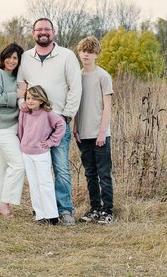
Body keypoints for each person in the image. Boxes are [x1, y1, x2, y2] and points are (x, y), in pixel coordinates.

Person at [17, 17, 82, 225]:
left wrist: (67, 115)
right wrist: (21, 102)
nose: (43, 32)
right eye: (38, 30)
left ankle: (64, 210)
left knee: (61, 168)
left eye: (47, 29)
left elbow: (75, 87)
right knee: (38, 171)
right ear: (33, 33)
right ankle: (42, 210)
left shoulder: (67, 56)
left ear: (53, 32)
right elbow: (21, 84)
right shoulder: (27, 57)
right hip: (35, 124)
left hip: (57, 121)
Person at [73, 36, 115, 224]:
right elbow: (76, 105)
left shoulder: (103, 76)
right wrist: (75, 127)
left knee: (104, 174)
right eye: (83, 51)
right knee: (90, 174)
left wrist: (101, 132)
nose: (86, 55)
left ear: (96, 54)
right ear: (79, 52)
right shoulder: (77, 76)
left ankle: (108, 211)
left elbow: (107, 107)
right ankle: (95, 209)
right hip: (83, 134)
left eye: (90, 52)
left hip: (100, 135)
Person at [0, 43, 25, 218]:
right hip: (0, 128)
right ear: (3, 58)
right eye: (8, 57)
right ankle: (4, 204)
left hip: (13, 126)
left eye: (15, 58)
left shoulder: (17, 78)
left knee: (4, 166)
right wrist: (15, 95)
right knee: (18, 165)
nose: (11, 60)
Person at [18, 85, 66, 224]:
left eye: (34, 98)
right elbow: (21, 129)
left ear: (41, 100)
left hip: (41, 154)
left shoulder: (47, 114)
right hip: (26, 152)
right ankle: (40, 215)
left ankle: (52, 216)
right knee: (33, 185)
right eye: (28, 98)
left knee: (45, 183)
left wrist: (51, 141)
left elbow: (61, 125)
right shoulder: (24, 113)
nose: (30, 101)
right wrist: (23, 143)